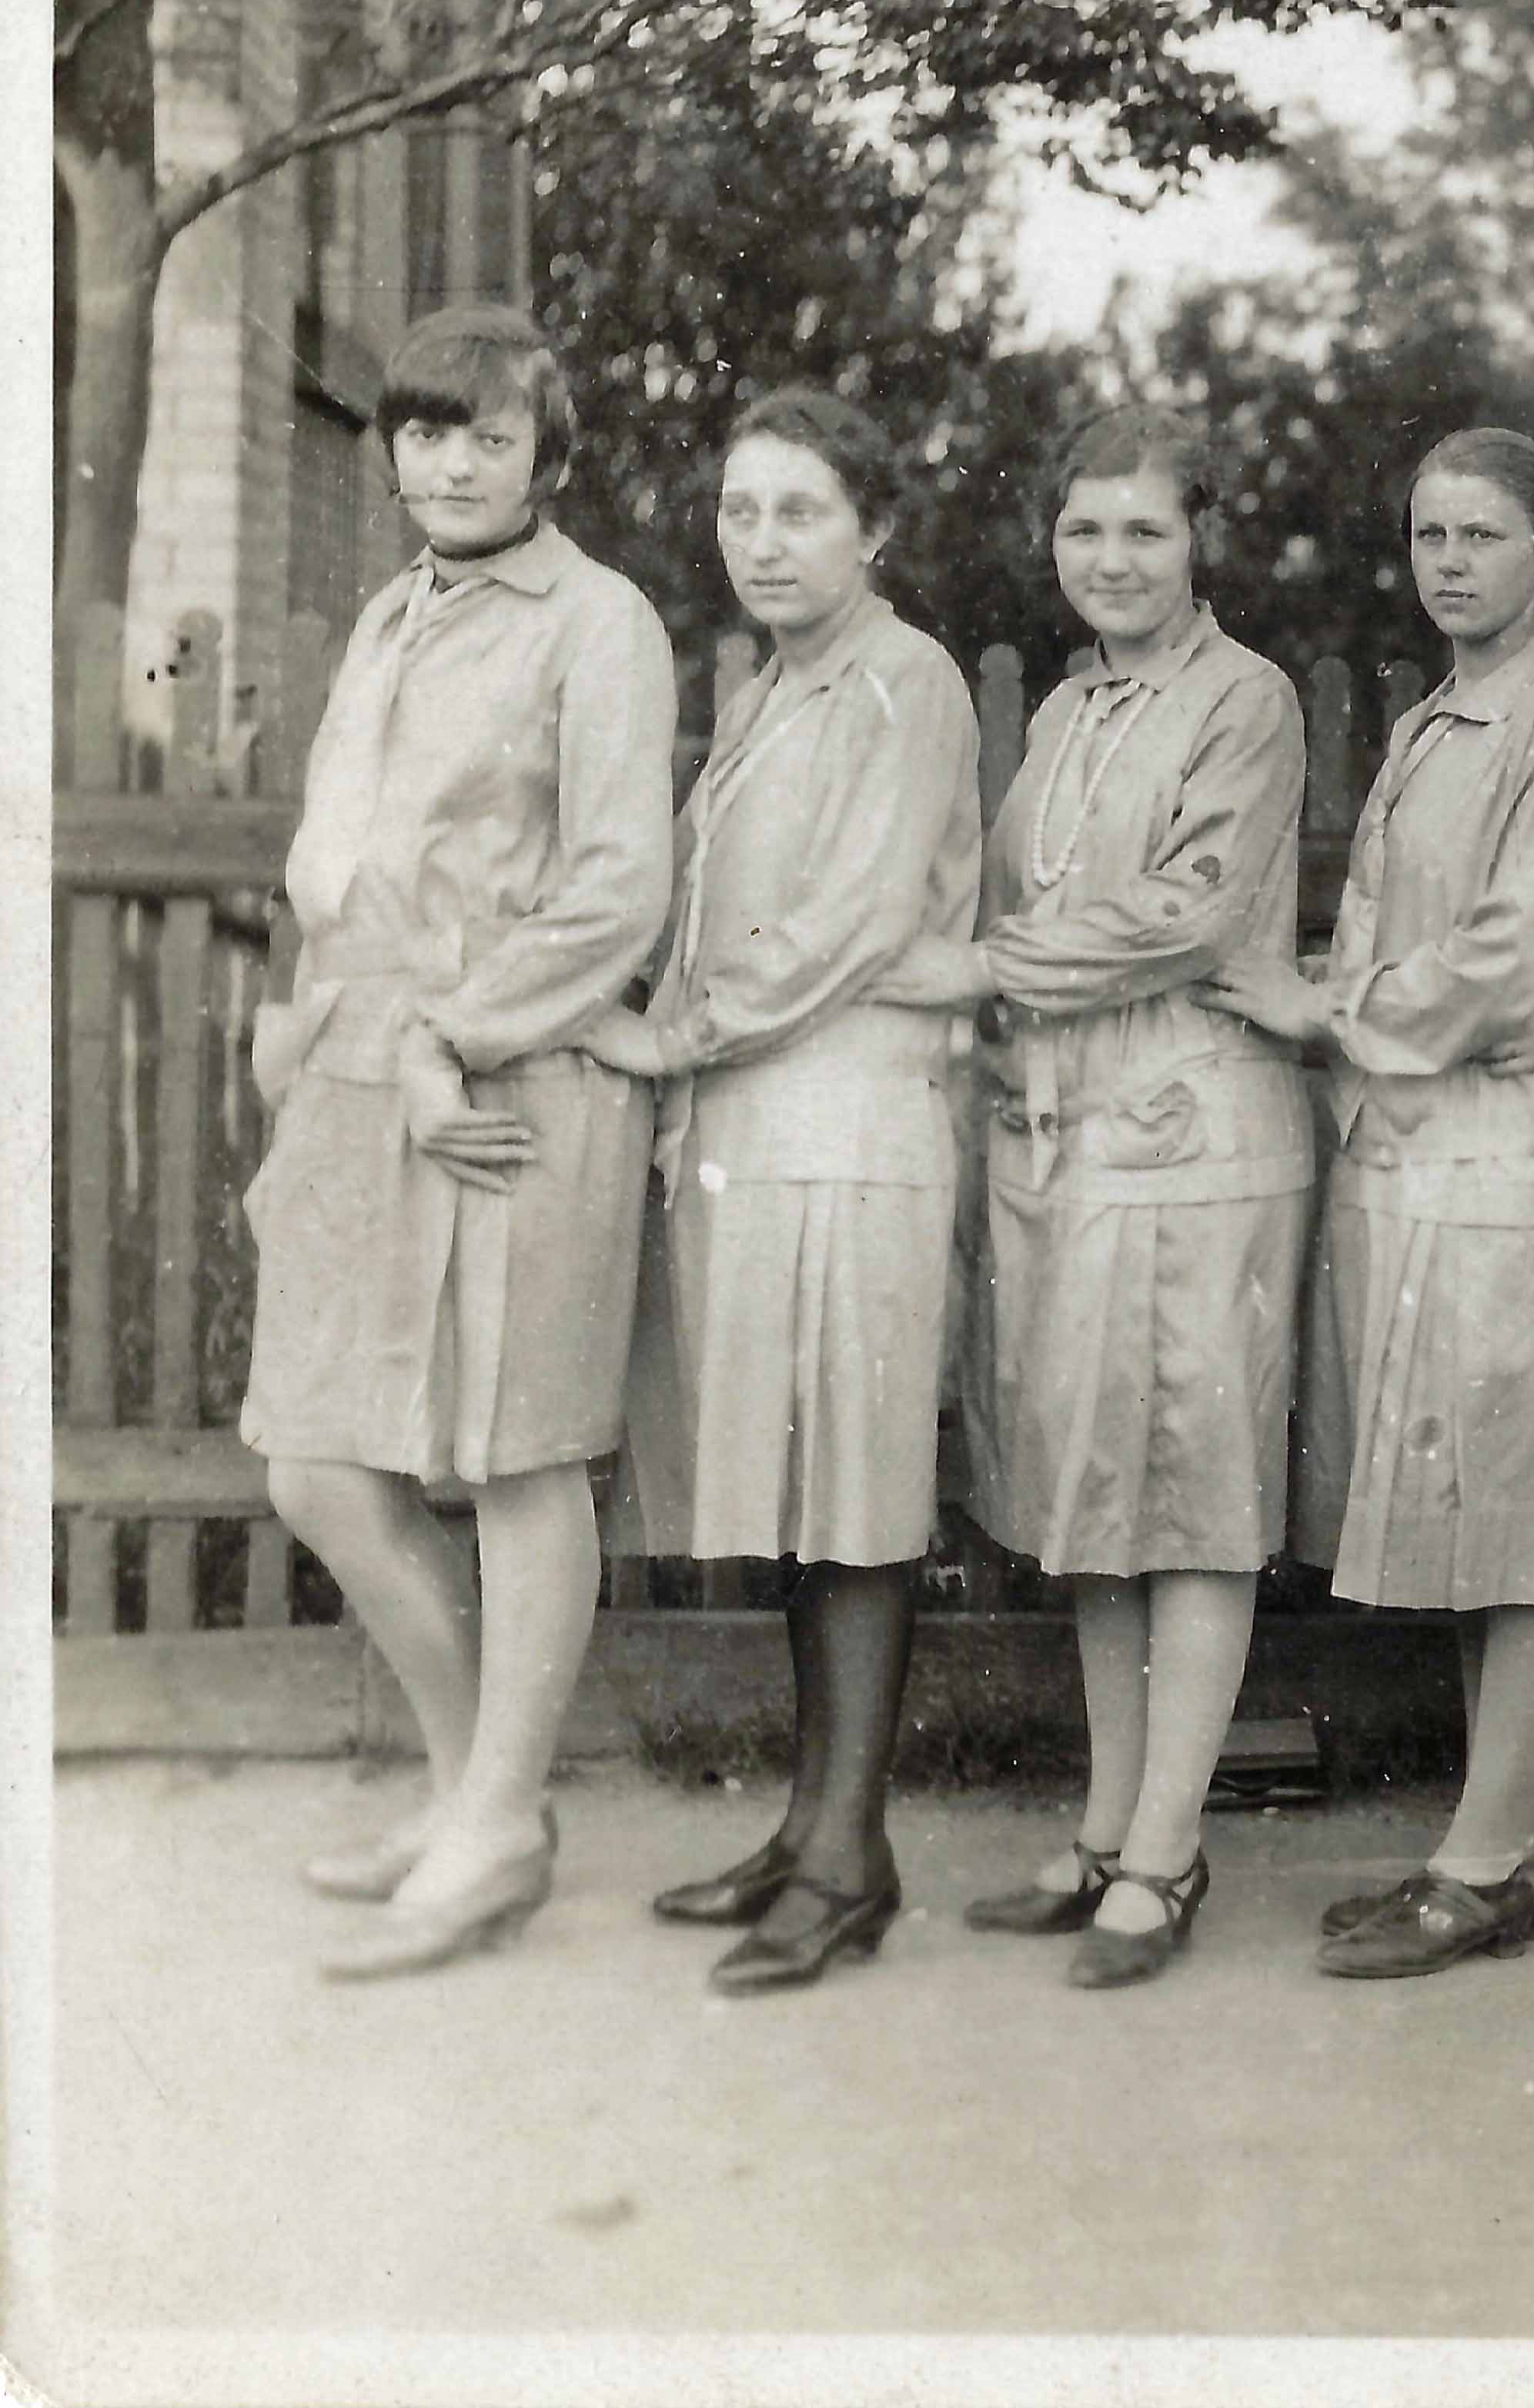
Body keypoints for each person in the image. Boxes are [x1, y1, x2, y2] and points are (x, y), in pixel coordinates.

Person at [242, 305, 676, 1978]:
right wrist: (312, 1026)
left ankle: (495, 1816)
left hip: (514, 1076)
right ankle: (464, 1786)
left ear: (548, 457)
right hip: (364, 1062)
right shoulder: (387, 615)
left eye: (489, 434)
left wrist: (455, 1036)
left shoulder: (601, 624)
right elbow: (340, 858)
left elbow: (616, 888)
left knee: (514, 1448)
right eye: (428, 431)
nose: (452, 460)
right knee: (316, 1457)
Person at [882, 403, 1318, 1989]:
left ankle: (1169, 1847)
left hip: (1193, 1138)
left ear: (1200, 542)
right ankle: (1106, 1826)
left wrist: (987, 967)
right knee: (1094, 1500)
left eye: (1144, 529)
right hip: (1070, 1145)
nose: (1112, 559)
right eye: (1084, 530)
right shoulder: (1068, 714)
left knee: (1187, 1489)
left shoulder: (1245, 700)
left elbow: (1188, 915)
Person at [1202, 430, 1534, 1981]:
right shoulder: (1437, 718)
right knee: (1472, 1510)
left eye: (1482, 535)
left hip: (1517, 1162)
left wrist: (1327, 1008)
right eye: (1428, 534)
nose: (1449, 561)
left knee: (1522, 1520)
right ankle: (1495, 1842)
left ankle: (1486, 1854)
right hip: (1428, 1164)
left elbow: (1508, 962)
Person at [594, 390, 984, 1995]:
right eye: (742, 511)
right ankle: (813, 1827)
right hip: (761, 1131)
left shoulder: (907, 680)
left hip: (853, 1132)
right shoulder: (767, 683)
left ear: (873, 530)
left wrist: (669, 1033)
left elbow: (846, 924)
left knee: (858, 1496)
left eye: (800, 511)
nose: (762, 541)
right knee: (797, 1496)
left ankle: (845, 1853)